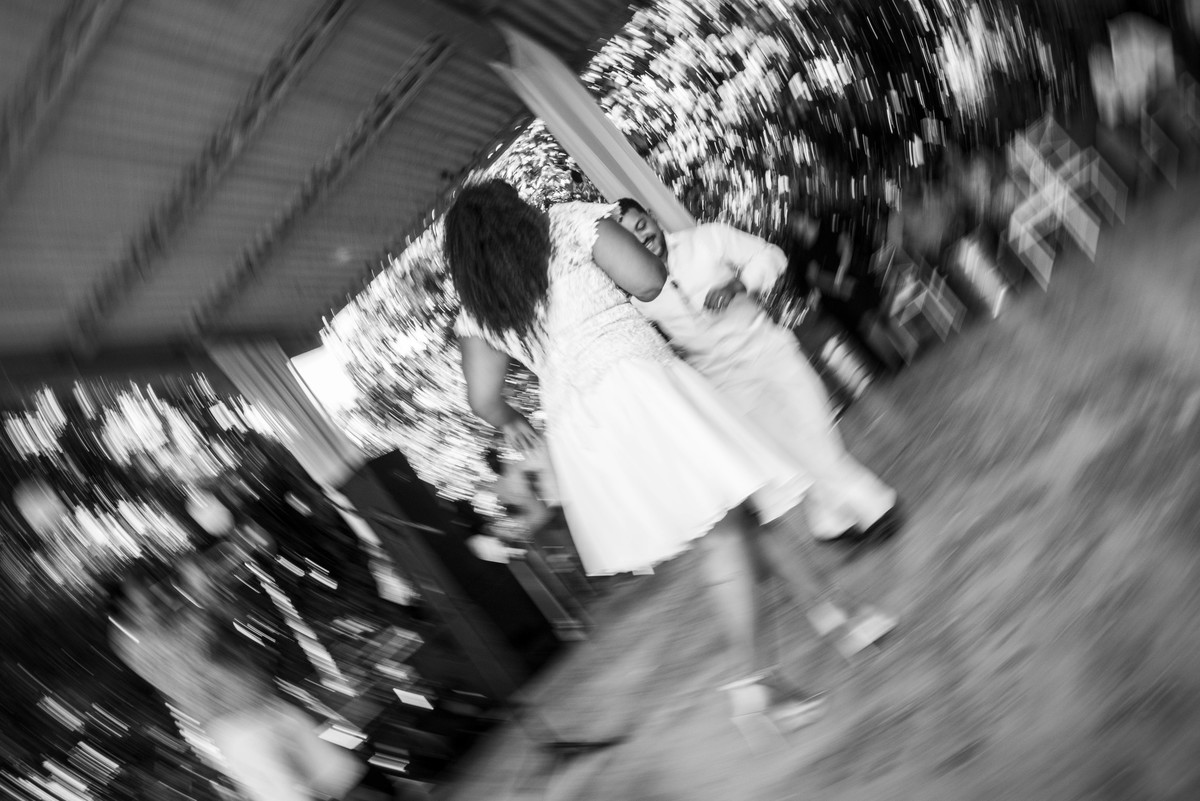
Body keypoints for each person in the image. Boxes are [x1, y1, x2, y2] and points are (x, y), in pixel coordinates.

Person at [444, 180, 836, 735]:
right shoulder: (566, 224)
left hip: (587, 426)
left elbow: (482, 399)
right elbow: (649, 281)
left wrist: (513, 422)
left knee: (735, 518)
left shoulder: (481, 307)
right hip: (640, 390)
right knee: (726, 529)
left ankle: (821, 616)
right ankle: (755, 681)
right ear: (515, 211)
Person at [614, 198, 900, 544]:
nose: (640, 236)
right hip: (726, 383)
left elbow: (771, 255)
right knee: (787, 447)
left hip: (769, 350)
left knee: (815, 427)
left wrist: (740, 284)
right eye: (629, 236)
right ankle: (873, 505)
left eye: (640, 224)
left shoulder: (707, 238)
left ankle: (829, 517)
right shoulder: (636, 298)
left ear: (652, 215)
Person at [108, 551, 387, 801]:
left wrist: (207, 592)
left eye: (153, 586)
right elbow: (193, 651)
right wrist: (200, 592)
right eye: (146, 592)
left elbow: (236, 617)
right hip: (238, 731)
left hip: (268, 706)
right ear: (129, 611)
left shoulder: (183, 613)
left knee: (343, 777)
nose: (157, 593)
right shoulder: (135, 643)